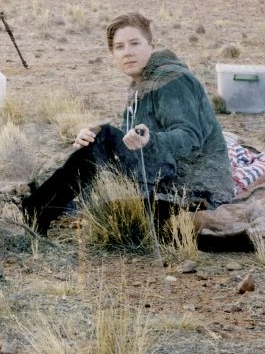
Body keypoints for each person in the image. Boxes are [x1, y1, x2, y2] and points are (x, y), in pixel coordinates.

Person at [19, 12, 234, 236]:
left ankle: (36, 210)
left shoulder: (172, 80)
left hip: (196, 190)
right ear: (113, 53)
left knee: (104, 139)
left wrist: (150, 139)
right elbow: (127, 141)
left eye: (134, 43)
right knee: (96, 139)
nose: (127, 52)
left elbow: (190, 138)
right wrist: (90, 137)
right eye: (119, 47)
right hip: (164, 181)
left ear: (152, 45)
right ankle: (41, 207)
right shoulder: (140, 85)